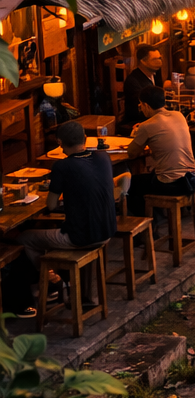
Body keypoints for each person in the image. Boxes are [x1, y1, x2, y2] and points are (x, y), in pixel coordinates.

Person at [7, 121, 116, 316]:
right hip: (107, 231)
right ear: (85, 138)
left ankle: (51, 280)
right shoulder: (103, 157)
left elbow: (50, 205)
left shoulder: (62, 165)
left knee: (24, 239)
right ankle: (59, 282)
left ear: (59, 143)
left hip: (81, 237)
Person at [125, 86, 195, 216]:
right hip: (192, 177)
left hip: (172, 184)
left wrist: (138, 135)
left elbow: (131, 153)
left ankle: (148, 229)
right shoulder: (179, 116)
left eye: (140, 105)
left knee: (130, 185)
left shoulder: (147, 126)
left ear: (146, 105)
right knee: (150, 177)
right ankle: (156, 217)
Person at [120, 44, 163, 129]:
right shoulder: (133, 81)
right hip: (138, 122)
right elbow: (146, 109)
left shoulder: (156, 73)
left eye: (159, 58)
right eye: (155, 59)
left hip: (155, 118)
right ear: (143, 61)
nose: (159, 62)